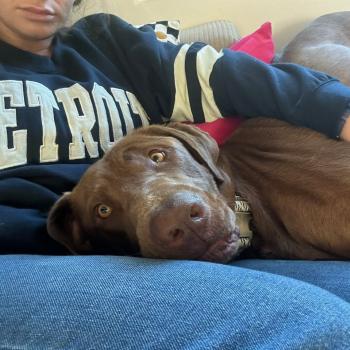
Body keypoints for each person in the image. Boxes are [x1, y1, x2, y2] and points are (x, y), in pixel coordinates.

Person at [0, 0, 350, 251]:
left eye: (156, 155)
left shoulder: (106, 42)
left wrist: (341, 114)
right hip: (34, 257)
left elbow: (233, 77)